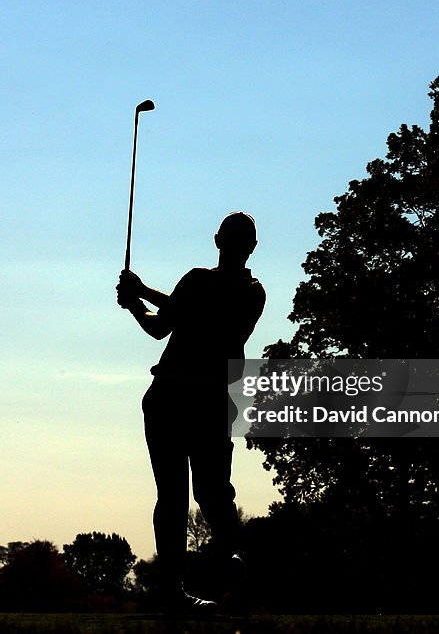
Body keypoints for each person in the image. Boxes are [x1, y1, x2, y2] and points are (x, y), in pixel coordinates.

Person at [117, 211, 266, 613]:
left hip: (179, 398)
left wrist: (138, 295)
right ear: (250, 246)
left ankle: (189, 582)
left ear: (218, 240)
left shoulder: (219, 285)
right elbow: (169, 321)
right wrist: (138, 300)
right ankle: (210, 573)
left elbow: (174, 321)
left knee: (186, 497)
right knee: (203, 495)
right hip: (200, 401)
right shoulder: (249, 291)